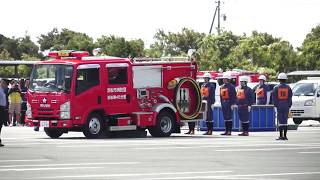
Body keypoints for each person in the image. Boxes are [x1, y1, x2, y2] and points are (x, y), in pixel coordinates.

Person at [273, 73, 292, 140]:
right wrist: (289, 105)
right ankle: (285, 136)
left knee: (280, 120)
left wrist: (275, 106)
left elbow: (275, 98)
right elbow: (290, 97)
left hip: (279, 105)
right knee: (285, 120)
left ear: (279, 79)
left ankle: (281, 136)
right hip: (286, 104)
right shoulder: (288, 87)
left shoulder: (276, 87)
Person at [0, 79, 7, 147]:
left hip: (2, 109)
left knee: (0, 125)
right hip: (0, 108)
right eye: (3, 83)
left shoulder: (2, 90)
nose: (4, 84)